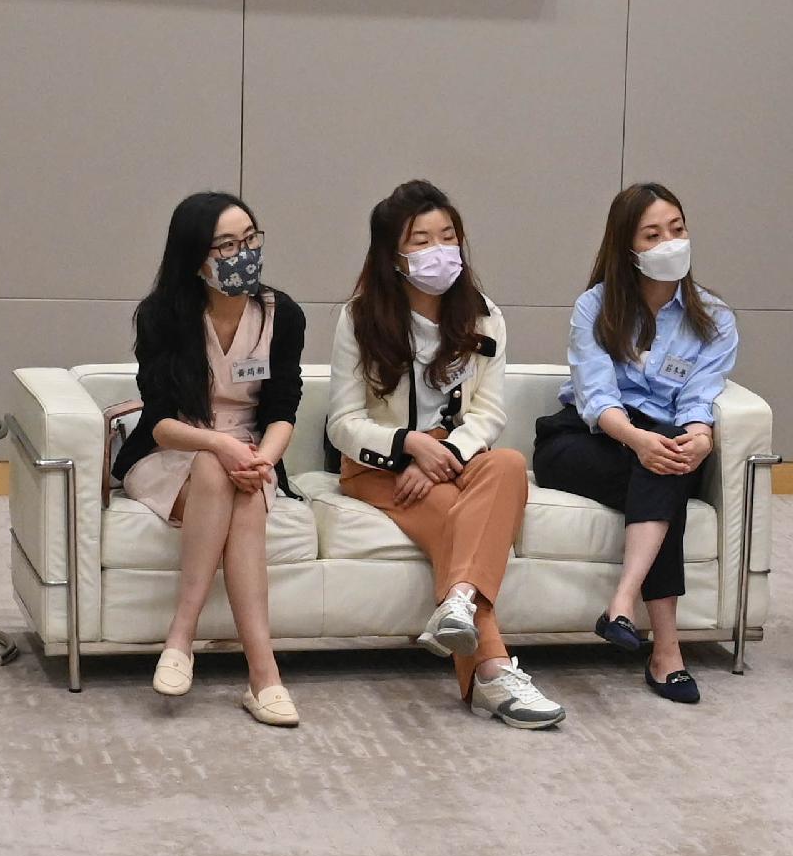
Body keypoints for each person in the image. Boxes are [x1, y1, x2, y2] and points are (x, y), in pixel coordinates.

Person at [324, 180, 562, 730]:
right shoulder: (359, 318)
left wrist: (446, 451)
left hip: (457, 459)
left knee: (506, 464)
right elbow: (342, 423)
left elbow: (490, 414)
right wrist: (408, 446)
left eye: (448, 236)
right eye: (421, 240)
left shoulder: (484, 316)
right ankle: (495, 673)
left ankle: (457, 600)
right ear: (394, 255)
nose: (439, 251)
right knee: (457, 518)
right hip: (380, 470)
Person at [538, 183, 736, 703]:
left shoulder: (713, 317)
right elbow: (595, 395)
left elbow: (699, 397)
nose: (669, 241)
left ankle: (625, 610)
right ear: (627, 248)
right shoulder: (595, 306)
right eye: (652, 234)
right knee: (662, 466)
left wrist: (701, 438)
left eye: (677, 229)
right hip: (583, 440)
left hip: (660, 444)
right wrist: (639, 440)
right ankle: (664, 650)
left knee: (668, 461)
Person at [112, 190, 304, 725]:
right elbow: (160, 421)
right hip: (172, 449)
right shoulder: (162, 317)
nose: (243, 254)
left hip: (250, 454)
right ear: (197, 259)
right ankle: (258, 672)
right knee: (215, 468)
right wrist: (219, 444)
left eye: (250, 240)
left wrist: (263, 460)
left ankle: (191, 645)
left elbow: (285, 408)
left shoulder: (281, 314)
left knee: (235, 486)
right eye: (226, 246)